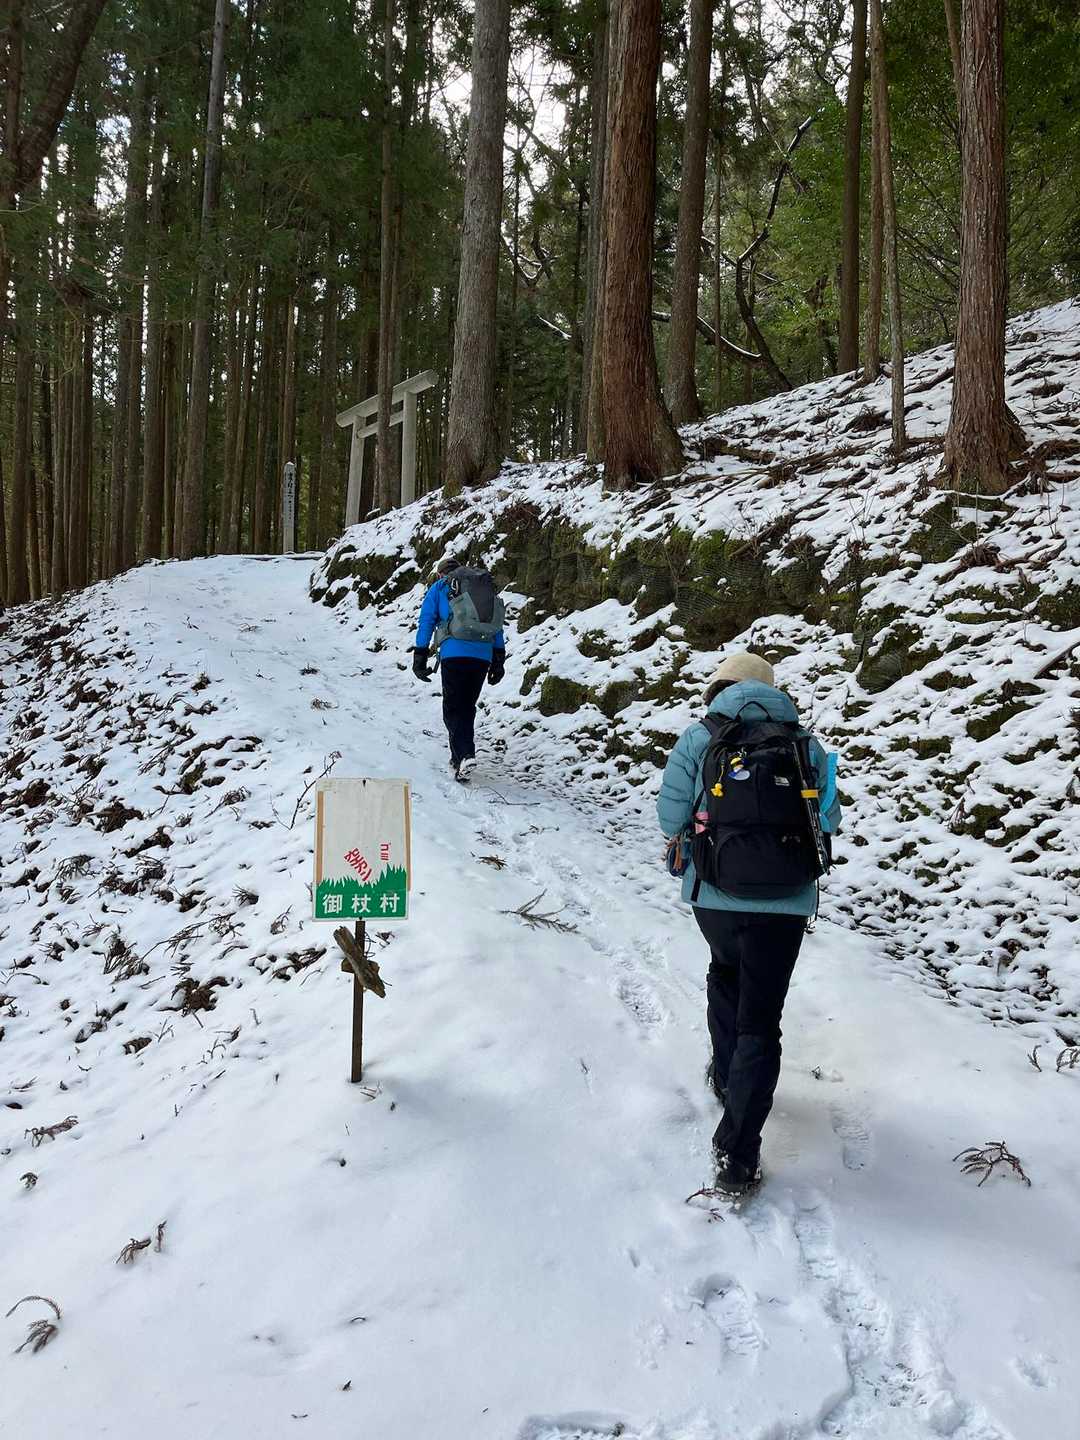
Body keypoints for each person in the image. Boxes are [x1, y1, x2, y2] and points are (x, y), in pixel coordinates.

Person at [657, 652, 840, 1196]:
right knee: (762, 1017)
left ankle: (724, 1075)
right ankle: (738, 1155)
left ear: (721, 687)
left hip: (715, 893)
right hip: (785, 901)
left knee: (725, 972)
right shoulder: (806, 744)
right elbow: (828, 819)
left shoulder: (699, 737)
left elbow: (670, 816)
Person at [413, 557, 506, 781]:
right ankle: (463, 757)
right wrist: (498, 659)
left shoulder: (440, 587)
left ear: (440, 573)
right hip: (482, 655)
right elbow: (496, 624)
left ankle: (463, 756)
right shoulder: (481, 588)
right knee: (466, 706)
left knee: (453, 707)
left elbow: (426, 620)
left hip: (454, 653)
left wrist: (420, 655)